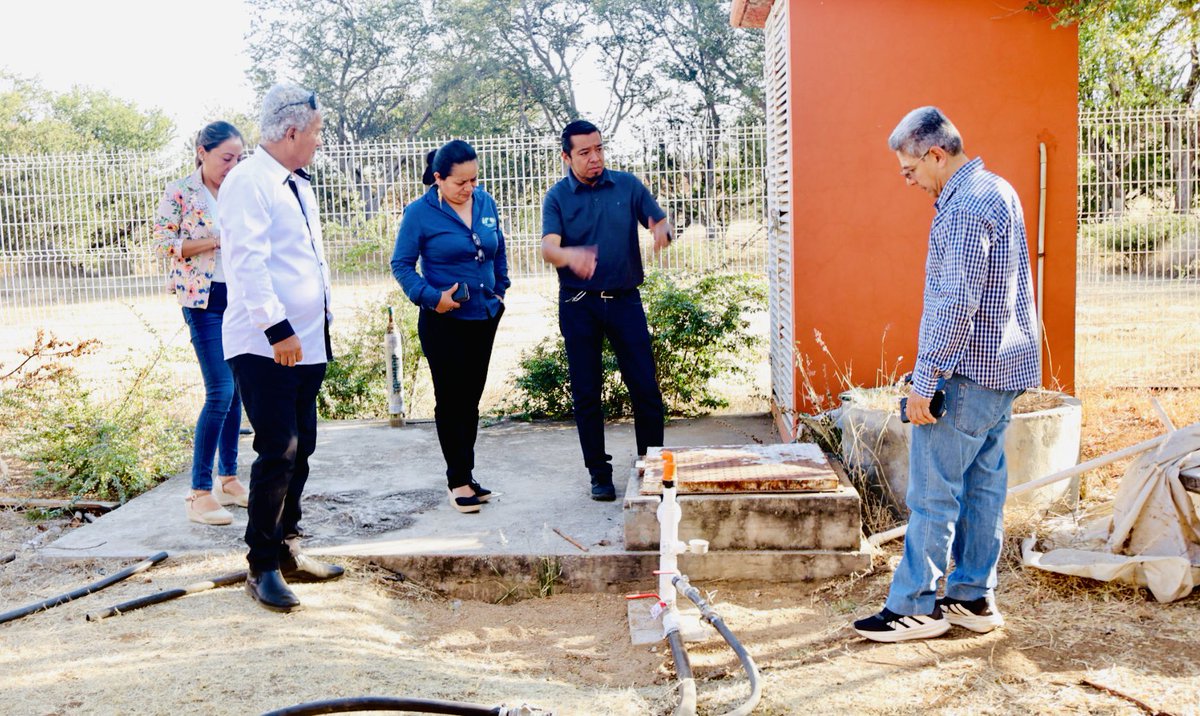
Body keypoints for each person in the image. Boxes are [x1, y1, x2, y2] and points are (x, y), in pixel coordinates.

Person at [853, 106, 1040, 642]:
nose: (907, 181)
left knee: (934, 492)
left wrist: (925, 378)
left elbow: (956, 301)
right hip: (1004, 371)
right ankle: (972, 598)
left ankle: (914, 605)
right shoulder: (997, 189)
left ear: (936, 154)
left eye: (909, 169)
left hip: (965, 372)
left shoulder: (962, 208)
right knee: (983, 489)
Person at [219, 83, 344, 613]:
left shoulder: (298, 184)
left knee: (304, 448)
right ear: (292, 131)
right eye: (315, 132)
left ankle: (289, 547)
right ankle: (262, 565)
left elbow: (303, 260)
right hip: (266, 343)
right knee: (279, 451)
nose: (318, 141)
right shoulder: (250, 181)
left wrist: (316, 324)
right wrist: (278, 330)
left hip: (306, 340)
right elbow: (245, 262)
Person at [540, 119, 673, 502]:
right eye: (584, 152)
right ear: (567, 157)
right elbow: (549, 247)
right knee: (586, 392)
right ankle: (599, 473)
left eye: (599, 149)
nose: (594, 157)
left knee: (645, 387)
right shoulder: (557, 198)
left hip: (625, 301)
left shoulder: (627, 185)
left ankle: (650, 467)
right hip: (579, 306)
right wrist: (569, 255)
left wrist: (661, 230)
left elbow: (657, 219)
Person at [391, 140, 510, 514]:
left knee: (471, 399)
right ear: (438, 178)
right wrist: (431, 297)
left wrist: (500, 288)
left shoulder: (485, 202)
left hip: (484, 317)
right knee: (452, 399)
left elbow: (498, 248)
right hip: (444, 321)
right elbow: (402, 265)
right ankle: (456, 479)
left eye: (474, 180)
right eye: (460, 182)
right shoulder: (419, 213)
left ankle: (468, 474)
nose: (469, 188)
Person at [153, 121, 250, 526]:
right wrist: (215, 240)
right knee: (220, 391)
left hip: (241, 299)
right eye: (226, 158)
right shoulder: (180, 191)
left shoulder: (240, 189)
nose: (233, 165)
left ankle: (228, 480)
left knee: (239, 390)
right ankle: (197, 492)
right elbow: (163, 244)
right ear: (201, 152)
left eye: (239, 158)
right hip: (203, 300)